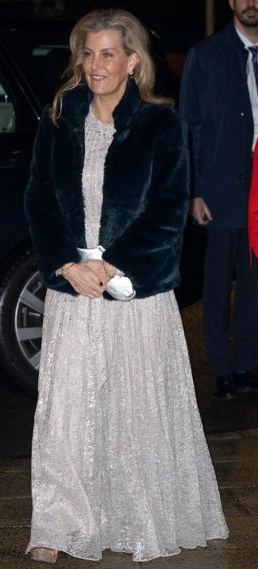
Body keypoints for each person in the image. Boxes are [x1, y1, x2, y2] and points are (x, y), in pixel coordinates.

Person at [24, 8, 228, 564]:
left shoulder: (163, 125)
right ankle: (58, 524)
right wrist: (66, 265)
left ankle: (139, 516)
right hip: (73, 288)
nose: (95, 65)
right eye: (87, 53)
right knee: (67, 411)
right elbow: (39, 200)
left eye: (108, 53)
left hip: (132, 290)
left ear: (132, 61)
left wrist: (110, 268)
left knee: (135, 409)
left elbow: (167, 212)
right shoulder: (59, 117)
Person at [180, 0, 258, 400]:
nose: (251, 3)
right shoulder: (206, 56)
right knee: (215, 288)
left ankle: (247, 365)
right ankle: (223, 370)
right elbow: (188, 127)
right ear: (231, 2)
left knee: (252, 286)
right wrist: (193, 191)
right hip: (220, 192)